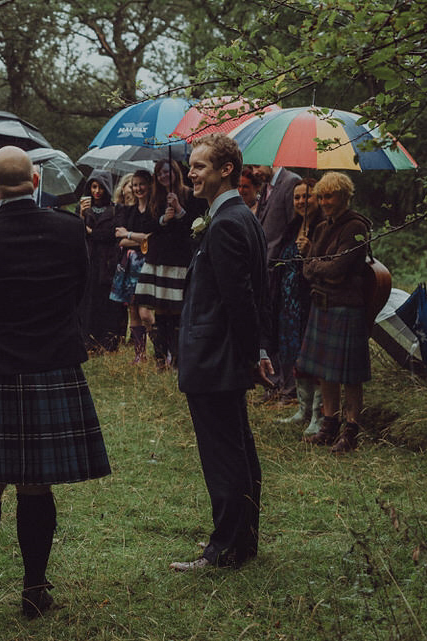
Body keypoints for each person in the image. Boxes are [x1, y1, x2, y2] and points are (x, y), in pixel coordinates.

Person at [0, 146, 110, 618]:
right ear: (35, 182)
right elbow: (79, 293)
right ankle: (34, 592)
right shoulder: (71, 229)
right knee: (36, 486)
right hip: (52, 367)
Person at [172, 133, 271, 571]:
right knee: (238, 451)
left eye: (199, 166)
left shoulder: (229, 222)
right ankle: (243, 542)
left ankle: (224, 549)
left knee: (224, 457)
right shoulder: (236, 216)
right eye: (191, 166)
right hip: (224, 355)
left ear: (226, 169)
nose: (190, 173)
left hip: (216, 357)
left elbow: (240, 301)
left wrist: (252, 355)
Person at [296, 172, 372, 454]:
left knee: (350, 375)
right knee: (325, 372)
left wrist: (317, 266)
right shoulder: (319, 228)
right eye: (321, 196)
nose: (325, 202)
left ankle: (350, 431)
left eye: (330, 196)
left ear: (344, 196)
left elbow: (337, 270)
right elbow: (308, 270)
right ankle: (329, 425)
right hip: (322, 304)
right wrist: (315, 262)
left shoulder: (355, 227)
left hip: (346, 307)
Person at [133, 158, 205, 369]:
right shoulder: (155, 197)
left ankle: (177, 357)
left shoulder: (190, 195)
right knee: (160, 310)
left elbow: (195, 226)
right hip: (158, 258)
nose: (164, 176)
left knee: (176, 310)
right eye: (160, 173)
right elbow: (146, 224)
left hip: (179, 259)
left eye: (167, 172)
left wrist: (180, 210)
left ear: (175, 172)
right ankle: (159, 357)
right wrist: (163, 219)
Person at [272, 178, 323, 433]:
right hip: (288, 301)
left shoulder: (323, 227)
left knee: (312, 357)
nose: (302, 201)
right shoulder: (292, 226)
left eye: (308, 196)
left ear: (319, 198)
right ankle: (302, 409)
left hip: (309, 301)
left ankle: (318, 414)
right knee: (294, 354)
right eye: (297, 197)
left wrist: (310, 250)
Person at [78, 170, 127, 351]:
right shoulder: (83, 208)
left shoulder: (116, 209)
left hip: (108, 261)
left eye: (100, 187)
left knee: (107, 301)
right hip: (89, 259)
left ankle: (108, 341)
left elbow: (113, 233)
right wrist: (83, 216)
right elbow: (77, 232)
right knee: (88, 301)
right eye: (93, 186)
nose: (97, 191)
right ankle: (87, 340)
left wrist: (92, 232)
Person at [111, 169, 154, 362]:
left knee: (146, 313)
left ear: (149, 185)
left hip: (148, 264)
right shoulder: (129, 211)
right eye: (135, 184)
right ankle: (140, 354)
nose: (138, 188)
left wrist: (129, 235)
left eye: (141, 184)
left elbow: (152, 239)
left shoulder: (154, 210)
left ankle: (161, 350)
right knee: (133, 310)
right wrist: (139, 239)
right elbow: (120, 240)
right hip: (130, 264)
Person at [254, 164, 301, 261]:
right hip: (263, 260)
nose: (255, 172)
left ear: (269, 160)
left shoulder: (291, 181)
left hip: (279, 261)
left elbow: (294, 224)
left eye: (257, 166)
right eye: (252, 168)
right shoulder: (265, 186)